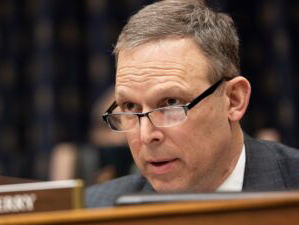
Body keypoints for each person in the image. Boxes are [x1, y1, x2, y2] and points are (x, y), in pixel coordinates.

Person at [85, 0, 299, 208]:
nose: (146, 136)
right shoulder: (93, 210)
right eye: (130, 107)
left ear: (234, 100)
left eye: (171, 103)